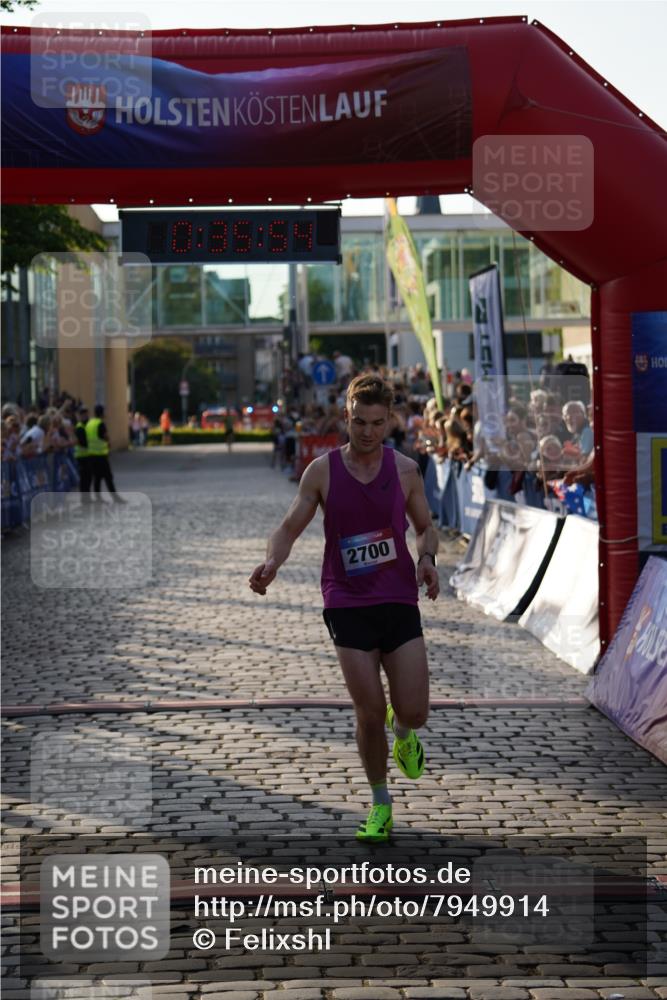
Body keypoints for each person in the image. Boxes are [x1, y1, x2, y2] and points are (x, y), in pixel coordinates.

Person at [249, 374, 439, 843]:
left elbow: (425, 527)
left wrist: (429, 558)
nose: (368, 432)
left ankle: (406, 732)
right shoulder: (323, 471)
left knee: (413, 711)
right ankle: (380, 803)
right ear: (346, 418)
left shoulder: (407, 471)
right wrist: (273, 560)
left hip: (397, 598)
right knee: (368, 710)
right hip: (346, 600)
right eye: (359, 422)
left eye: (377, 423)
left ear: (390, 421)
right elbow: (289, 526)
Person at [86, 404, 126, 502]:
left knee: (97, 478)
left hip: (91, 454)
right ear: (102, 412)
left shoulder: (89, 423)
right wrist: (108, 444)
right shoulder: (100, 423)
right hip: (101, 455)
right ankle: (115, 497)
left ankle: (98, 498)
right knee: (108, 477)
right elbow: (105, 436)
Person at [74, 406, 92, 502]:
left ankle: (87, 497)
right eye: (83, 414)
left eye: (86, 414)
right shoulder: (80, 427)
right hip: (81, 457)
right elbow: (83, 442)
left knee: (88, 478)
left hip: (87, 456)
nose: (85, 416)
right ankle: (84, 498)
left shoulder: (87, 426)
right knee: (84, 479)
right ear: (80, 416)